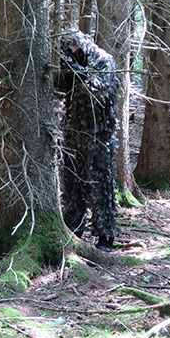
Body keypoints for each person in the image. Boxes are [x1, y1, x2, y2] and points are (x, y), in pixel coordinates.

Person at [58, 29, 120, 252]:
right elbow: (57, 88)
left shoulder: (103, 61)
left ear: (82, 43)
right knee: (71, 185)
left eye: (73, 45)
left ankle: (105, 236)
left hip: (98, 135)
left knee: (99, 186)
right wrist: (64, 70)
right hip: (72, 133)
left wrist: (77, 71)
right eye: (67, 46)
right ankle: (73, 230)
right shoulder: (72, 61)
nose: (71, 49)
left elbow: (98, 92)